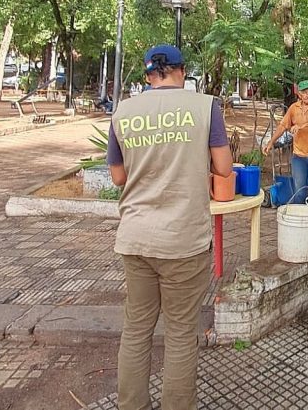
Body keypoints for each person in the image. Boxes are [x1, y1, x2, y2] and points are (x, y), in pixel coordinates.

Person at [106, 44, 232, 410]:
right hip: (184, 241)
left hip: (136, 238)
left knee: (136, 329)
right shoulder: (205, 107)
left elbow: (117, 176)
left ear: (148, 76)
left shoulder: (123, 112)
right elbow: (224, 169)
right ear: (182, 71)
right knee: (179, 332)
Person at [262, 80, 308, 203]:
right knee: (299, 191)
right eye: (305, 92)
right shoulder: (294, 108)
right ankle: (301, 217)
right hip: (299, 155)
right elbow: (282, 126)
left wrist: (304, 125)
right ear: (299, 94)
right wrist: (271, 142)